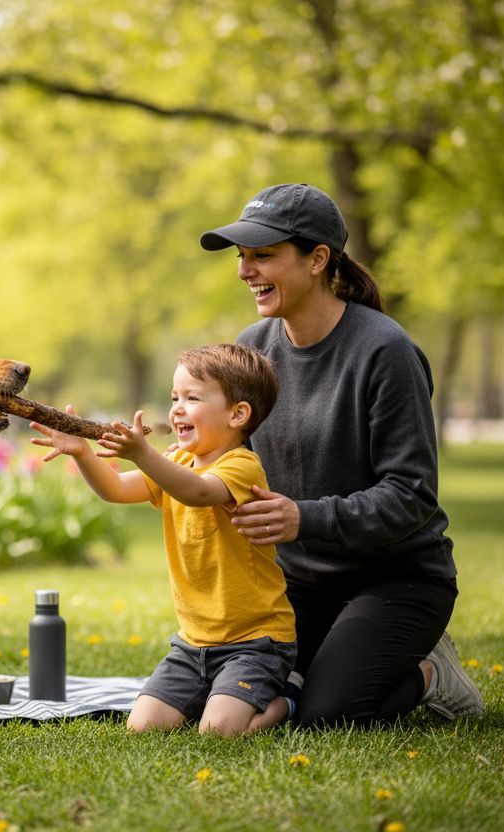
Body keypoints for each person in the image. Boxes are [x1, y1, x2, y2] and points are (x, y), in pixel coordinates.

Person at [199, 182, 484, 726]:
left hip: (395, 578)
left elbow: (411, 496)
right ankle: (328, 655)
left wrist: (303, 517)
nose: (244, 271)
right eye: (242, 258)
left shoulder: (386, 351)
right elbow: (230, 460)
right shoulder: (251, 349)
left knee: (327, 714)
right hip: (294, 583)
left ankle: (433, 673)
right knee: (220, 698)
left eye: (263, 256)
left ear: (318, 259)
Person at [31, 343, 296, 736]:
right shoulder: (177, 463)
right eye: (174, 397)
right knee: (143, 726)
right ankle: (219, 695)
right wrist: (82, 454)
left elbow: (199, 492)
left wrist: (143, 454)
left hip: (255, 641)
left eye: (192, 398)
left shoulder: (242, 465)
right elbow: (117, 489)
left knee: (218, 731)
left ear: (238, 414)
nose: (176, 409)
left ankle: (286, 699)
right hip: (193, 643)